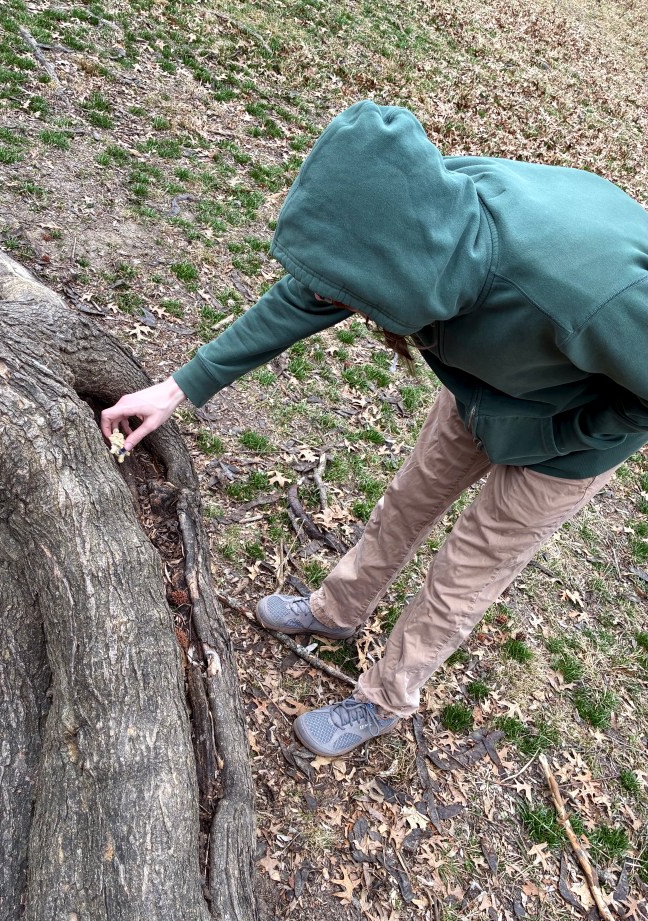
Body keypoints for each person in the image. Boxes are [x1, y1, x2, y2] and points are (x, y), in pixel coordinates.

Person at [101, 101, 648, 759]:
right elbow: (316, 292)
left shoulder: (581, 296)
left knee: (462, 575)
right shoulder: (412, 215)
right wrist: (179, 386)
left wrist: (578, 431)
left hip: (568, 444)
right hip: (479, 399)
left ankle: (385, 699)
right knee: (403, 507)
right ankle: (336, 611)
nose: (339, 303)